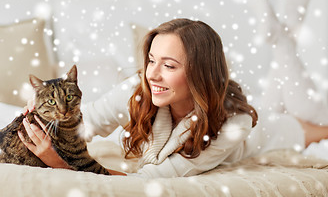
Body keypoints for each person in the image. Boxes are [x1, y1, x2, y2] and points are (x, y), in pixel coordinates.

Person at [20, 18, 328, 178]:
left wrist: (60, 164)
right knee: (286, 95)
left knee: (311, 117)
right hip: (247, 110)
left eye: (168, 66)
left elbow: (146, 183)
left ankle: (284, 41)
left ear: (199, 73)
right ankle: (282, 40)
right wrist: (41, 119)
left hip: (270, 133)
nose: (152, 75)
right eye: (151, 60)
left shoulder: (235, 125)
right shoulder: (138, 89)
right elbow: (88, 122)